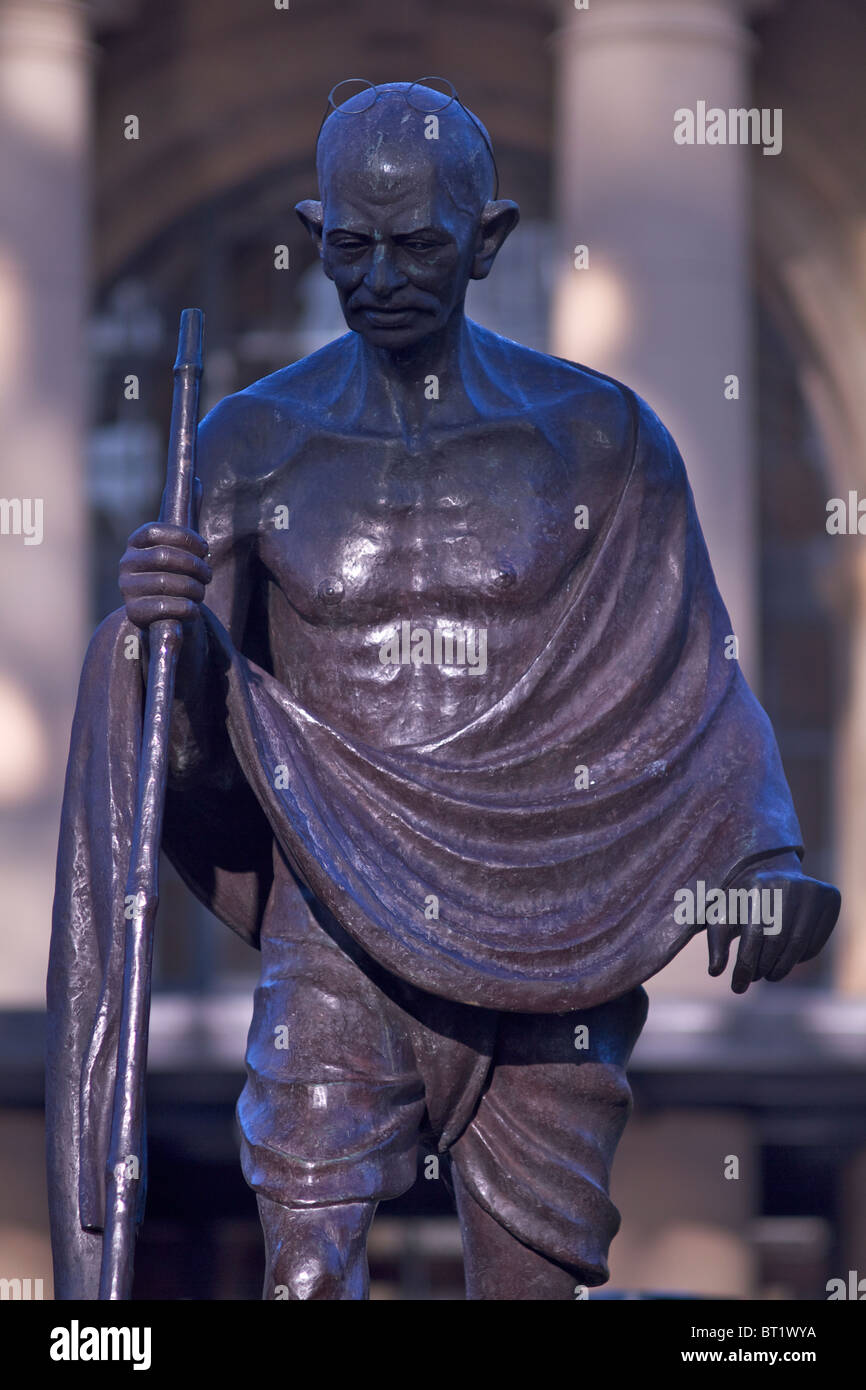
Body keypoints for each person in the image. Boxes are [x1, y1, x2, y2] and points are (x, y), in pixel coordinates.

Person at [48, 82, 840, 1301]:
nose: (380, 279)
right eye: (349, 248)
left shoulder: (600, 439)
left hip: (550, 914)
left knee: (532, 1285)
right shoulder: (249, 442)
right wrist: (163, 635)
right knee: (303, 1274)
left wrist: (763, 865)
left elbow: (691, 675)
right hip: (334, 913)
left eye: (417, 245)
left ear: (488, 239)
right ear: (314, 238)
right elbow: (196, 742)